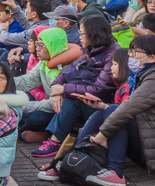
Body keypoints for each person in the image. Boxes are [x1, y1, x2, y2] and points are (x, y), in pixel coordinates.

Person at [46, 34, 155, 186]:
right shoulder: (151, 73)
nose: (130, 57)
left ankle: (115, 172)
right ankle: (71, 159)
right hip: (152, 140)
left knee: (117, 111)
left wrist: (101, 135)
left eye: (134, 53)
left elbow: (128, 109)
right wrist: (103, 107)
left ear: (152, 58)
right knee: (103, 111)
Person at [31, 14, 119, 158]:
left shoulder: (111, 55)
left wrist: (64, 90)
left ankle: (55, 141)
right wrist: (57, 89)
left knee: (71, 99)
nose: (80, 37)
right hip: (84, 104)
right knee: (34, 116)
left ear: (94, 34)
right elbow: (66, 73)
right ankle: (56, 136)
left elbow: (99, 90)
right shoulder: (91, 50)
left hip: (104, 107)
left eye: (82, 33)